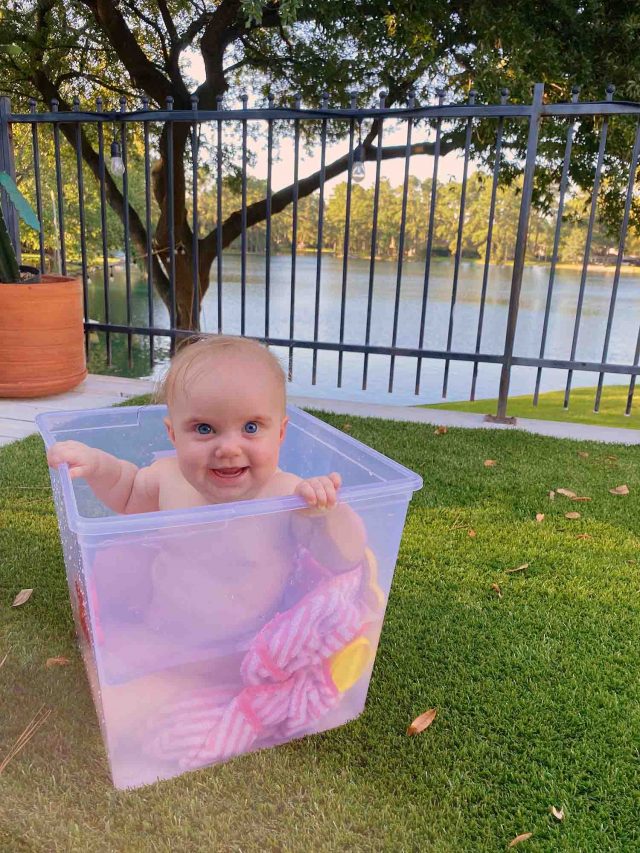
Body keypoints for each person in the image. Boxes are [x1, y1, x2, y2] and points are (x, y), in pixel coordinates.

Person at [46, 336, 380, 772]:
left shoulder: (287, 497)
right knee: (105, 652)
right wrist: (98, 464)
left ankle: (154, 700)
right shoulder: (168, 477)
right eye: (204, 429)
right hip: (161, 624)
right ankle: (132, 677)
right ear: (173, 433)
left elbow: (345, 557)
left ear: (281, 431)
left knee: (127, 708)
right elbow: (127, 493)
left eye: (251, 428)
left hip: (230, 650)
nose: (228, 447)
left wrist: (325, 512)